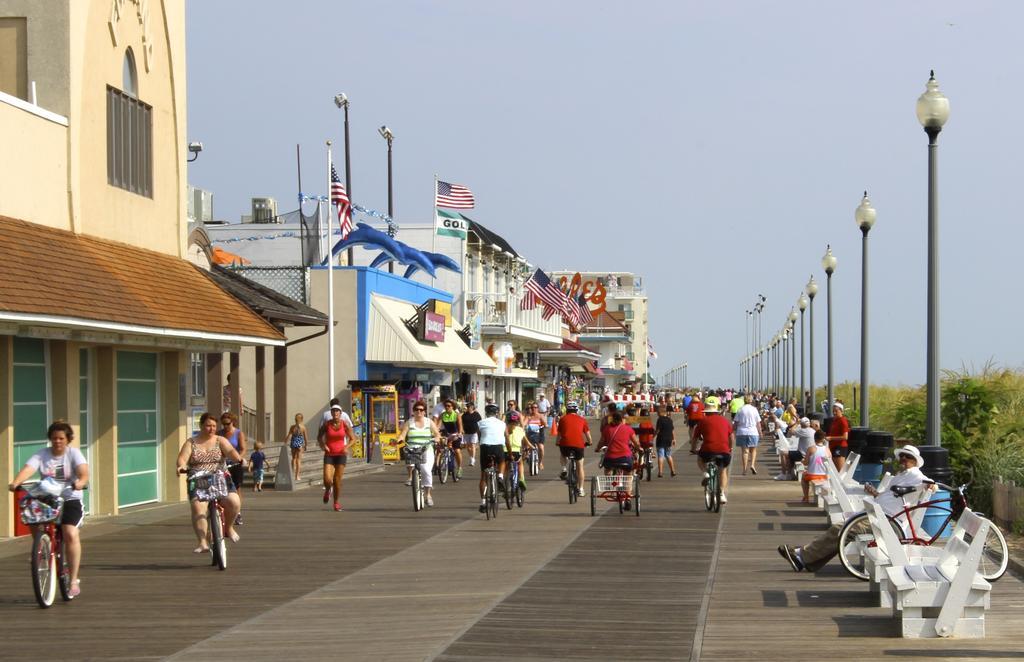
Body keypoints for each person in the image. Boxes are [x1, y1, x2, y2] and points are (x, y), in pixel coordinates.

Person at [780, 445, 930, 571]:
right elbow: (889, 497)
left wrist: (932, 485)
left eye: (908, 457)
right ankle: (806, 560)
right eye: (902, 456)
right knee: (842, 528)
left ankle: (802, 555)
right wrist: (875, 493)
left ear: (915, 461)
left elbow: (928, 482)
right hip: (877, 514)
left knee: (842, 529)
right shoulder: (901, 475)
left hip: (886, 521)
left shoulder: (915, 474)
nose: (903, 459)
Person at [8, 421, 89, 598]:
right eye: (54, 438)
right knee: (30, 512)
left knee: (69, 534)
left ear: (68, 439)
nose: (57, 441)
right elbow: (28, 469)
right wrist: (16, 482)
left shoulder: (74, 454)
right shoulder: (42, 454)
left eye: (61, 438)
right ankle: (42, 546)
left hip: (70, 499)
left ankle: (73, 580)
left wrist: (81, 482)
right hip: (48, 498)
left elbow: (83, 472)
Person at [176, 413, 242, 552]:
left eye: (213, 426)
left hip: (220, 476)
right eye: (207, 425)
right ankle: (202, 542)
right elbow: (182, 458)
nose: (211, 428)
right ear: (201, 426)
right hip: (199, 478)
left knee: (234, 502)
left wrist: (239, 459)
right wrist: (181, 466)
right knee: (198, 508)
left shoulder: (220, 440)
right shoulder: (191, 442)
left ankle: (228, 528)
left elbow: (230, 451)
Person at [397, 400, 441, 507]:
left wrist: (436, 439)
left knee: (426, 470)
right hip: (413, 449)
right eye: (416, 410)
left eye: (421, 410)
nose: (419, 412)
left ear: (425, 412)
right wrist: (399, 439)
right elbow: (403, 434)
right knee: (410, 463)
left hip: (426, 449)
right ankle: (411, 478)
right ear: (413, 411)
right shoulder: (409, 422)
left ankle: (428, 495)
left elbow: (437, 434)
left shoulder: (429, 422)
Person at [690, 395, 734, 503]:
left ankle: (705, 472)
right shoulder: (725, 421)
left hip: (707, 450)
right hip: (724, 451)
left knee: (700, 459)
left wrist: (693, 449)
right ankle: (722, 493)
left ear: (706, 411)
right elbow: (731, 437)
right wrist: (730, 447)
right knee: (723, 470)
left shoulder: (702, 422)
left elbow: (694, 438)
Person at [318, 405, 354, 511]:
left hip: (341, 454)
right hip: (329, 454)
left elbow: (353, 438)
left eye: (337, 411)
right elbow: (319, 437)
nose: (335, 413)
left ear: (340, 413)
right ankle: (328, 489)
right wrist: (324, 445)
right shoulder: (327, 424)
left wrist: (346, 447)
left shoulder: (345, 424)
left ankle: (336, 503)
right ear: (331, 413)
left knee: (337, 480)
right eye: (333, 411)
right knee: (327, 479)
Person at [556, 401, 592, 497]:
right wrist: (590, 442)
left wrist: (557, 442)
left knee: (563, 454)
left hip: (565, 445)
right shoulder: (582, 420)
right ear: (576, 410)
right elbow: (588, 435)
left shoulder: (562, 419)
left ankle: (564, 468)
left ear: (567, 410)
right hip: (578, 445)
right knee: (580, 466)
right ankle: (581, 489)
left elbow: (559, 435)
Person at [477, 403, 508, 512]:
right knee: (502, 461)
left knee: (483, 477)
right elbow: (507, 438)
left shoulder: (480, 423)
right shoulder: (502, 423)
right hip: (498, 447)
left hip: (485, 448)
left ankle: (483, 503)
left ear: (486, 413)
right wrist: (510, 452)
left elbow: (479, 437)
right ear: (496, 413)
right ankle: (500, 476)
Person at [219, 412, 247, 524]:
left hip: (235, 464)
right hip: (222, 464)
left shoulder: (238, 433)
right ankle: (223, 512)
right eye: (223, 424)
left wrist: (239, 458)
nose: (225, 426)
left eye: (227, 424)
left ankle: (237, 513)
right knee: (222, 488)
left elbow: (243, 448)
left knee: (236, 488)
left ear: (233, 422)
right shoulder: (219, 434)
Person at [596, 409, 640, 476]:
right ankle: (627, 486)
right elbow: (636, 442)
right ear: (622, 419)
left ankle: (608, 483)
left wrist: (597, 448)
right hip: (625, 458)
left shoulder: (607, 429)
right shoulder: (628, 429)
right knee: (628, 474)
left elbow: (601, 442)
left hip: (610, 458)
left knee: (607, 470)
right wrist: (639, 448)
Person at [733, 395, 761, 476]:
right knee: (753, 450)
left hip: (742, 432)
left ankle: (744, 470)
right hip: (753, 431)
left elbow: (736, 422)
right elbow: (758, 423)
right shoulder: (754, 409)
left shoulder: (740, 409)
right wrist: (760, 432)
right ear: (751, 400)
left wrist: (733, 431)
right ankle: (752, 465)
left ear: (744, 400)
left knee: (745, 451)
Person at [504, 411, 533, 491]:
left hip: (505, 451)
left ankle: (504, 482)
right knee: (520, 463)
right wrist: (532, 447)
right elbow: (526, 441)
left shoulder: (504, 429)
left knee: (506, 466)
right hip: (516, 451)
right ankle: (521, 479)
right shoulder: (520, 429)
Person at [800, 429, 829, 502]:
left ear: (814, 438)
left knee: (803, 477)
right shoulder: (827, 450)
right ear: (823, 438)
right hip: (824, 475)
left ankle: (806, 497)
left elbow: (806, 463)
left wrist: (802, 461)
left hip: (812, 475)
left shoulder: (811, 449)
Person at [438, 399, 464, 478]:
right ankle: (444, 463)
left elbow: (460, 426)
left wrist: (459, 433)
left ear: (453, 407)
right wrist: (436, 433)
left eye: (449, 406)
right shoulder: (442, 415)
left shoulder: (456, 414)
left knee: (457, 450)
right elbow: (438, 426)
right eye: (445, 406)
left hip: (456, 434)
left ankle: (459, 468)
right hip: (447, 434)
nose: (447, 407)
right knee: (442, 447)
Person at [654, 404, 677, 477]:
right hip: (668, 439)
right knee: (668, 455)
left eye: (657, 412)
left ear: (660, 412)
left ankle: (660, 472)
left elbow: (658, 430)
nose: (657, 413)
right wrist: (674, 439)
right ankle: (672, 470)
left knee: (661, 456)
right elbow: (672, 430)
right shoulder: (670, 420)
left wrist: (653, 436)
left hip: (661, 440)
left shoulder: (659, 420)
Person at [827, 402, 851, 471]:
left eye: (836, 411)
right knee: (835, 469)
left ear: (841, 411)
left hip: (840, 447)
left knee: (840, 470)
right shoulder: (835, 420)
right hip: (834, 446)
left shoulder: (843, 421)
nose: (834, 413)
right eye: (833, 411)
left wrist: (831, 438)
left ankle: (841, 481)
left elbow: (845, 437)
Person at [524, 402, 547, 471]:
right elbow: (524, 423)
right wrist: (524, 426)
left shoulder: (540, 416)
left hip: (539, 433)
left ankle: (540, 462)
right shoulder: (528, 416)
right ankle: (527, 455)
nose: (533, 409)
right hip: (530, 433)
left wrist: (544, 425)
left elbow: (545, 424)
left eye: (535, 407)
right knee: (526, 446)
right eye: (532, 407)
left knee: (541, 448)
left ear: (537, 408)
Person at [286, 413, 308, 482]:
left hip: (293, 443)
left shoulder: (292, 427)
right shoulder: (303, 427)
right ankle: (297, 475)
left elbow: (289, 435)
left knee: (293, 458)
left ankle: (292, 474)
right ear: (302, 419)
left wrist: (285, 442)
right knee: (299, 460)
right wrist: (306, 445)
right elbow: (305, 438)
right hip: (299, 444)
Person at [461, 401, 482, 467]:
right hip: (466, 432)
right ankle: (471, 457)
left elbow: (480, 423)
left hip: (474, 432)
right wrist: (462, 430)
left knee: (473, 445)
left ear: (472, 407)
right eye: (467, 407)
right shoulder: (464, 415)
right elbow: (461, 423)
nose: (468, 408)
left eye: (469, 406)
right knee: (468, 447)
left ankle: (472, 459)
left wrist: (479, 431)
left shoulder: (476, 414)